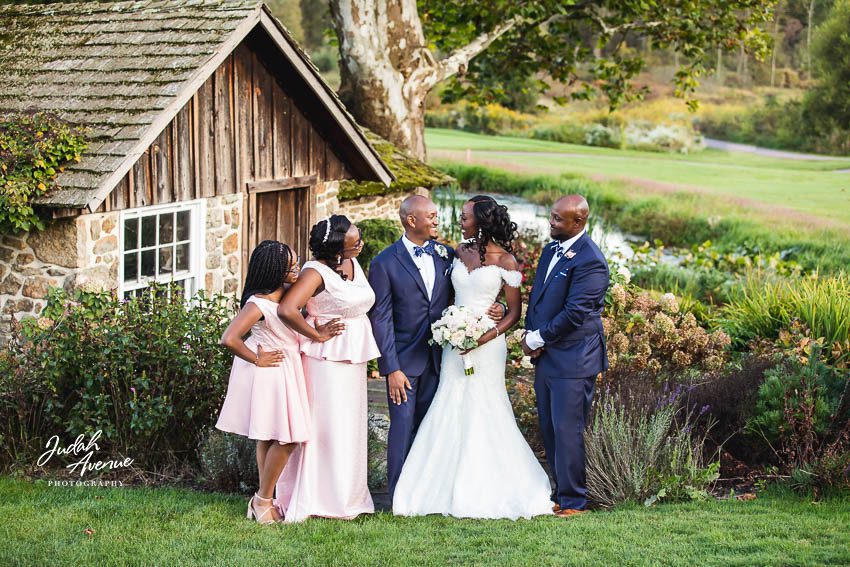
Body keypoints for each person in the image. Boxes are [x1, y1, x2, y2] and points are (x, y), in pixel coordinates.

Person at [392, 196, 553, 520]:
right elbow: (448, 295)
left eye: (464, 217)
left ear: (480, 221)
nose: (460, 221)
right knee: (449, 399)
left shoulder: (506, 261)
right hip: (453, 341)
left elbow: (514, 313)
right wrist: (453, 328)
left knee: (485, 403)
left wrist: (486, 334)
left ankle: (488, 482)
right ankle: (436, 483)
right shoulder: (457, 252)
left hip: (488, 345)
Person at [368, 195, 504, 503]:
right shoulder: (384, 263)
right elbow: (381, 319)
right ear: (411, 220)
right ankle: (398, 497)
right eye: (430, 216)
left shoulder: (447, 255)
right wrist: (391, 368)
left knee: (432, 430)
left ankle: (427, 493)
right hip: (404, 362)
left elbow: (471, 291)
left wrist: (497, 308)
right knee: (402, 428)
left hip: (442, 359)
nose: (437, 220)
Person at [215, 241, 339, 524]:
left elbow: (294, 323)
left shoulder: (287, 295)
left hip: (288, 366)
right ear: (274, 269)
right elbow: (229, 338)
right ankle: (262, 500)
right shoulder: (258, 303)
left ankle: (264, 502)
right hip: (271, 371)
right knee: (288, 438)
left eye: (296, 262)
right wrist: (256, 358)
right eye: (291, 266)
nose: (297, 269)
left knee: (270, 436)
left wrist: (315, 330)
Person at [275, 215, 380, 522]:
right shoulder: (315, 272)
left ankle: (346, 497)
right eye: (354, 241)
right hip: (325, 363)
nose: (360, 244)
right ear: (336, 247)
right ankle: (319, 498)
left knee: (348, 428)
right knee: (327, 428)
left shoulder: (351, 263)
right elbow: (287, 309)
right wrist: (316, 334)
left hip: (351, 360)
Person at [522, 195, 609, 517]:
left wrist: (538, 337)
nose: (551, 222)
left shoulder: (591, 261)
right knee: (549, 428)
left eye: (558, 219)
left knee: (567, 430)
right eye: (552, 216)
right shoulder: (550, 250)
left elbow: (575, 313)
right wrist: (530, 335)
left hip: (575, 358)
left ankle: (574, 501)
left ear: (579, 221)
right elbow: (539, 299)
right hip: (547, 355)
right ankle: (560, 494)